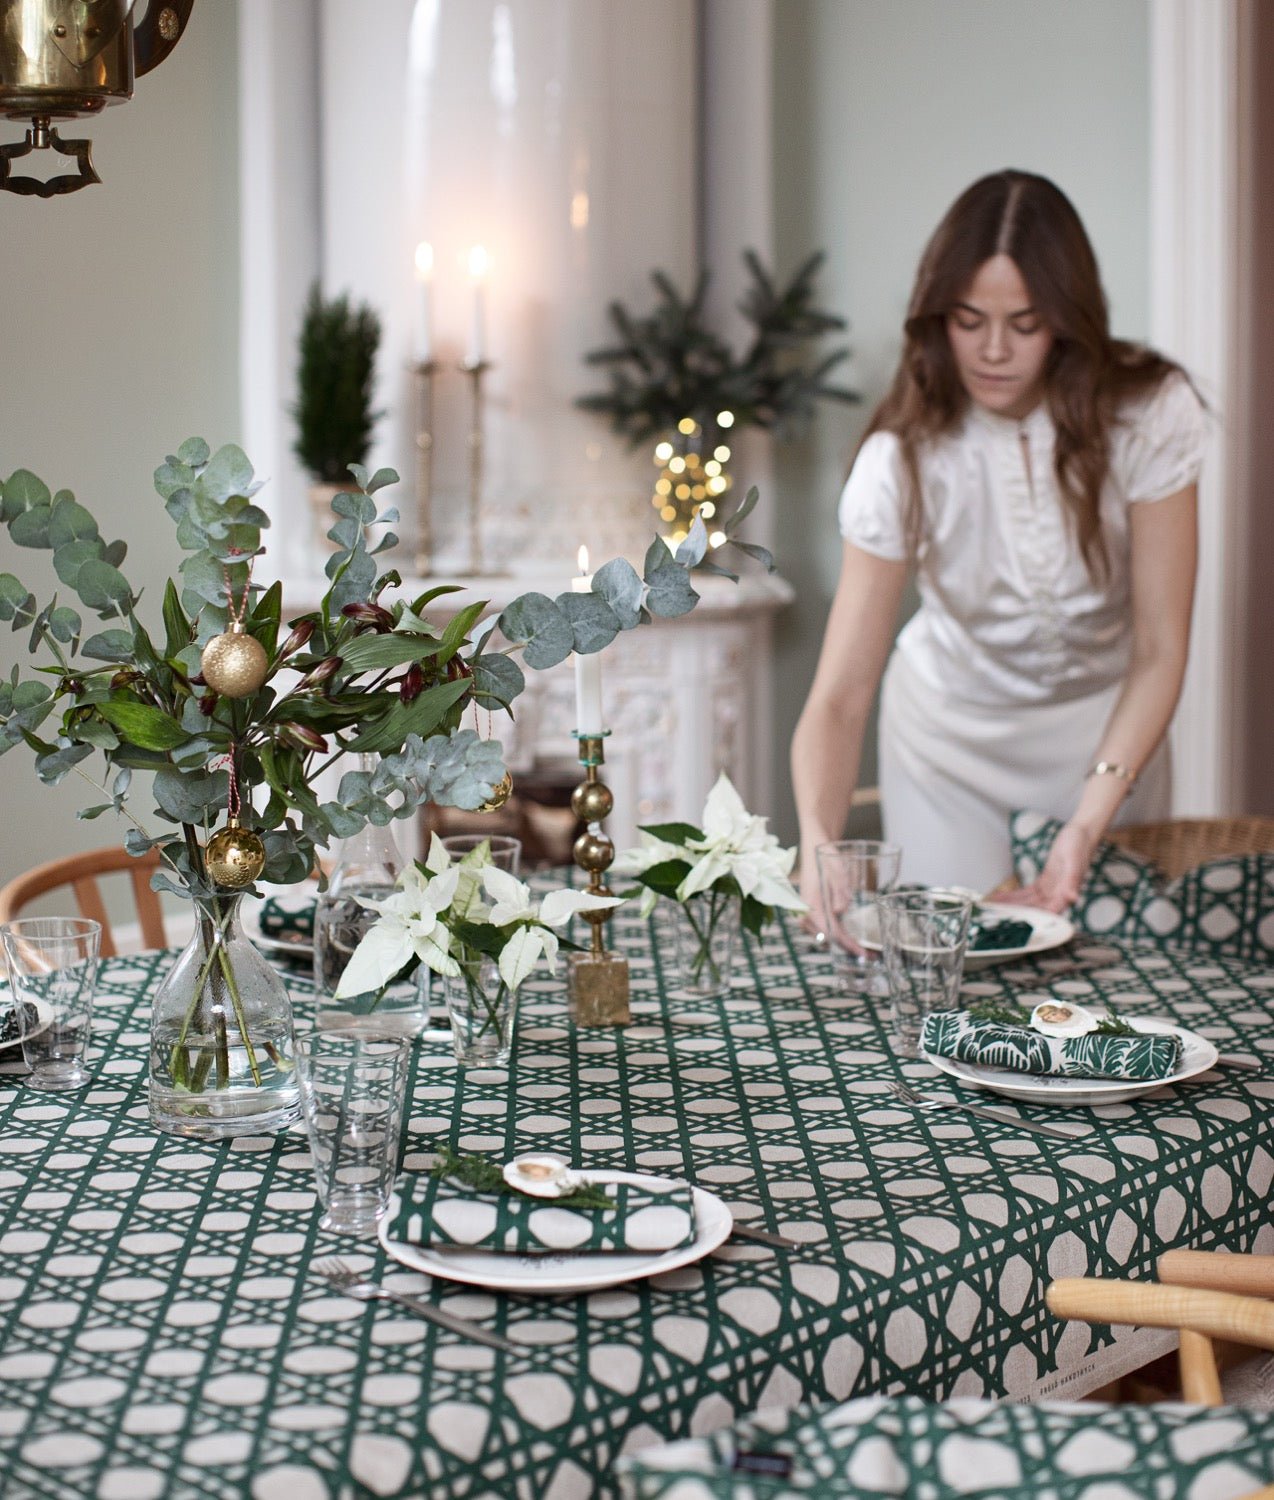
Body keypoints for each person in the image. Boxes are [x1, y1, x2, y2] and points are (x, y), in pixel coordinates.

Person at [791, 169, 1206, 925]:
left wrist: (1086, 822)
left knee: (1111, 981)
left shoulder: (1150, 415)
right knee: (963, 975)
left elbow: (1160, 648)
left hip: (1110, 736)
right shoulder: (902, 458)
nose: (992, 350)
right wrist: (818, 839)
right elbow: (842, 693)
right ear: (936, 315)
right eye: (967, 318)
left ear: (1068, 320)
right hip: (950, 746)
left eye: (1025, 323)